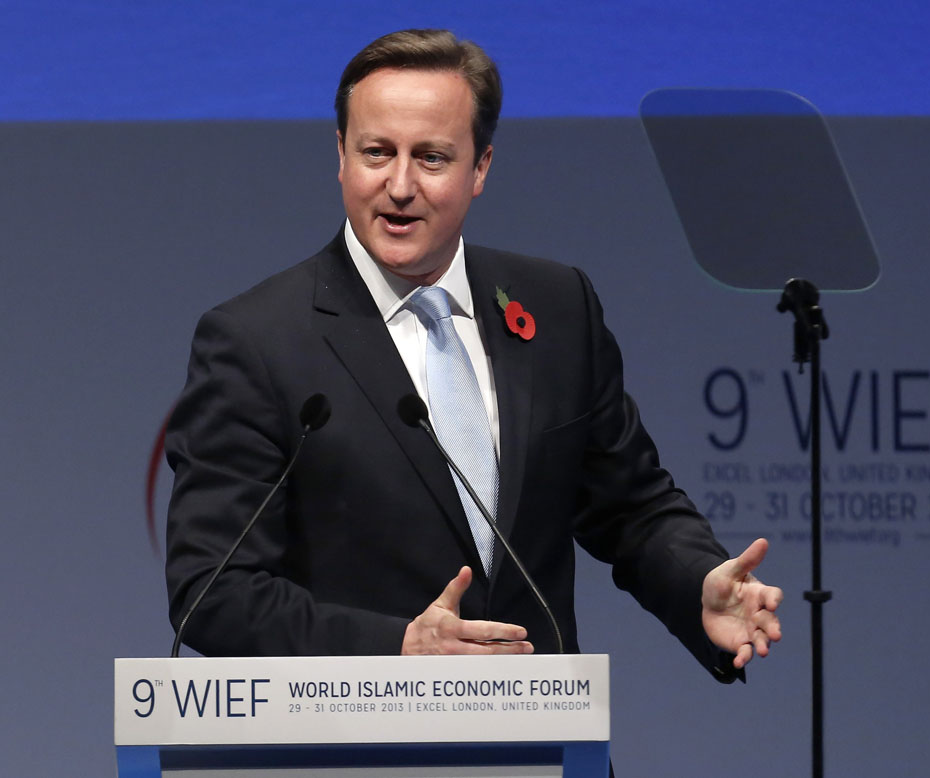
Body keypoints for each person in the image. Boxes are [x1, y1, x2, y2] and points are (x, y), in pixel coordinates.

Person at [164, 29, 781, 680]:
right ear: (340, 155)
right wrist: (397, 648)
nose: (399, 186)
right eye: (377, 152)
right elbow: (213, 590)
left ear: (480, 167)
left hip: (543, 744)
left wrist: (699, 582)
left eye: (431, 158)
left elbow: (631, 507)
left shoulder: (557, 308)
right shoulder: (258, 341)